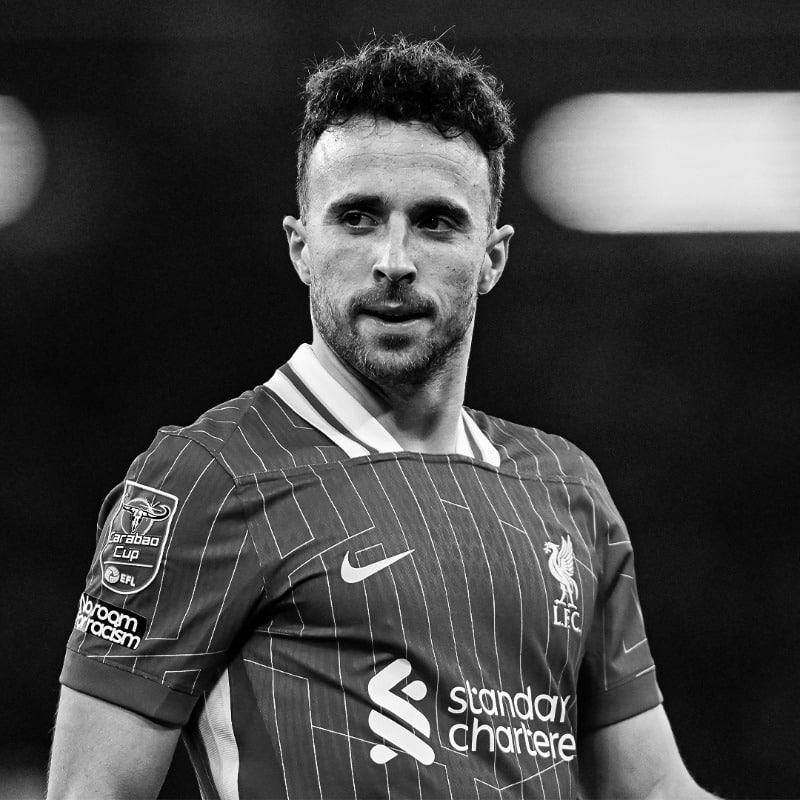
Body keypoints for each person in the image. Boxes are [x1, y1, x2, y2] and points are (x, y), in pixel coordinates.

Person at [48, 35, 719, 800]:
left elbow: (653, 789)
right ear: (302, 246)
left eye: (436, 222)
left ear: (493, 257)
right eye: (359, 217)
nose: (394, 260)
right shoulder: (207, 479)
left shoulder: (567, 489)